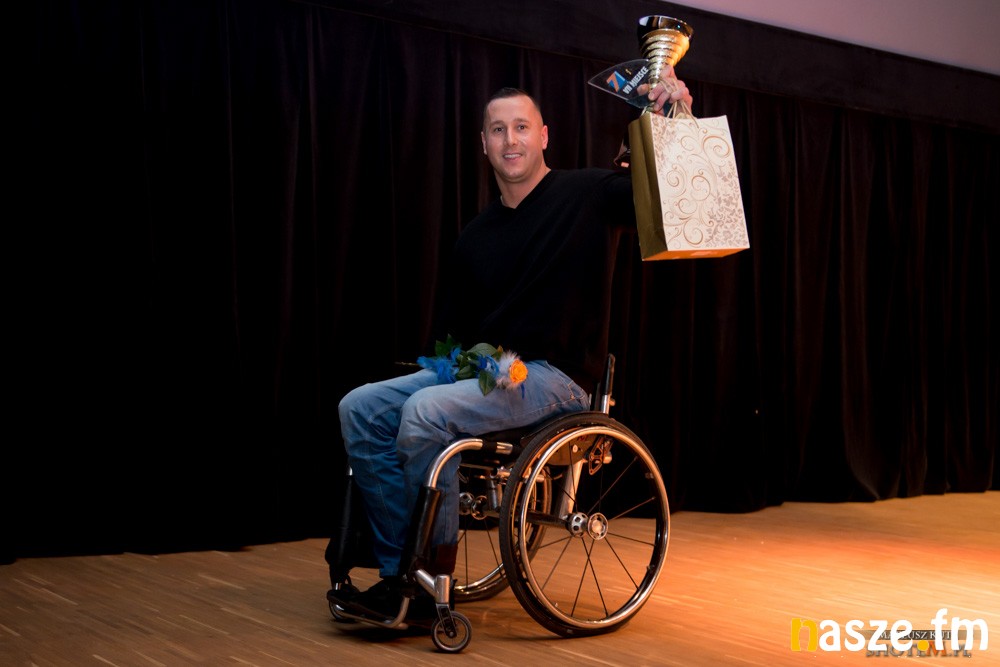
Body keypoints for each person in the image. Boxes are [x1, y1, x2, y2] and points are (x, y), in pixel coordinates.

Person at [327, 68, 693, 620]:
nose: (510, 139)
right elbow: (452, 342)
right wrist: (444, 367)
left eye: (521, 127)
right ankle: (399, 567)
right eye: (498, 130)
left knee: (426, 411)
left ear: (543, 135)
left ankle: (427, 582)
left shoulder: (589, 195)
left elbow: (664, 189)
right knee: (359, 407)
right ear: (484, 143)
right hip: (484, 371)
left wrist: (675, 117)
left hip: (555, 377)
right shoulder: (476, 236)